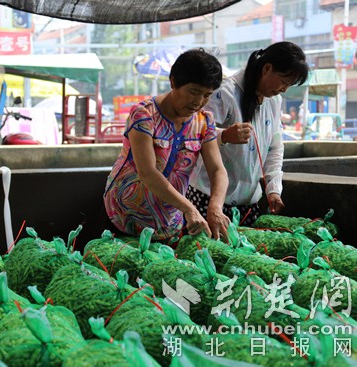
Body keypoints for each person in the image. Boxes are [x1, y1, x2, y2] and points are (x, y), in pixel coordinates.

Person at [103, 48, 230, 244]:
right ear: (173, 82)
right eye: (194, 92)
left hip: (169, 221)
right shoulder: (144, 115)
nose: (199, 102)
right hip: (126, 215)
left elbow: (217, 170)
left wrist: (215, 207)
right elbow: (147, 172)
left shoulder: (205, 122)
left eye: (207, 95)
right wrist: (189, 208)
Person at [188, 42, 309, 226]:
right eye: (284, 82)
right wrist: (224, 135)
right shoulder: (225, 93)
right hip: (209, 199)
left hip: (249, 204)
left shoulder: (274, 100)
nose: (284, 89)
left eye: (289, 85)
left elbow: (275, 147)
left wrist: (273, 189)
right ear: (267, 68)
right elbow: (193, 132)